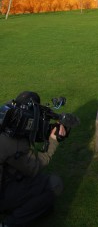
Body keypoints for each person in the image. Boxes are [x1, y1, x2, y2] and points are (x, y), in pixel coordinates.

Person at [0, 91, 66, 227]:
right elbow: (35, 167)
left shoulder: (5, 121)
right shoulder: (13, 141)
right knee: (53, 184)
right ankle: (9, 223)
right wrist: (53, 141)